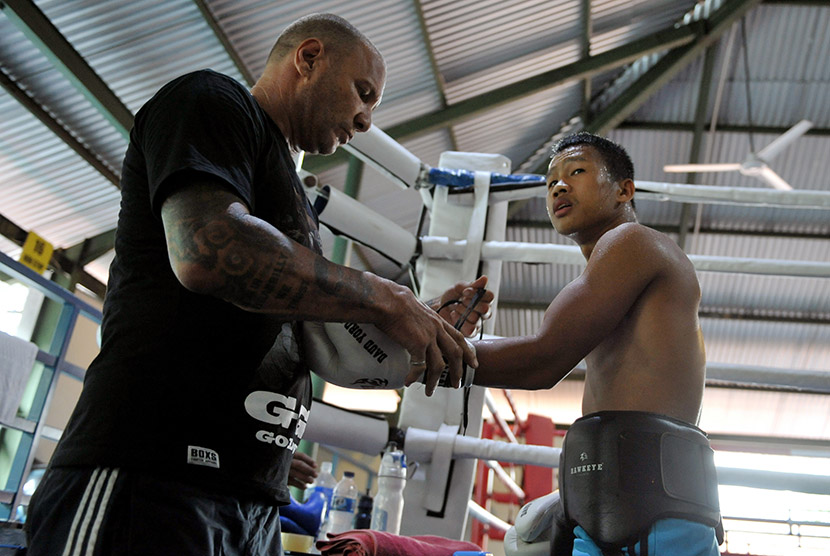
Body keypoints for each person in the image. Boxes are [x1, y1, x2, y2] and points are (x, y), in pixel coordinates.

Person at [25, 13, 490, 556]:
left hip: (248, 496)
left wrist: (414, 323)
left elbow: (314, 334)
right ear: (309, 57)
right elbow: (207, 250)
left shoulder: (290, 195)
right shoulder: (212, 101)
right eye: (362, 94)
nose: (365, 121)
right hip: (149, 474)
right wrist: (385, 297)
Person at [473, 132, 721, 556]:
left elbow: (544, 359)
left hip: (654, 519)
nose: (559, 186)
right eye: (550, 181)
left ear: (624, 189)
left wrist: (424, 351)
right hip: (624, 508)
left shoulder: (634, 243)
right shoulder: (607, 274)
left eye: (577, 171)